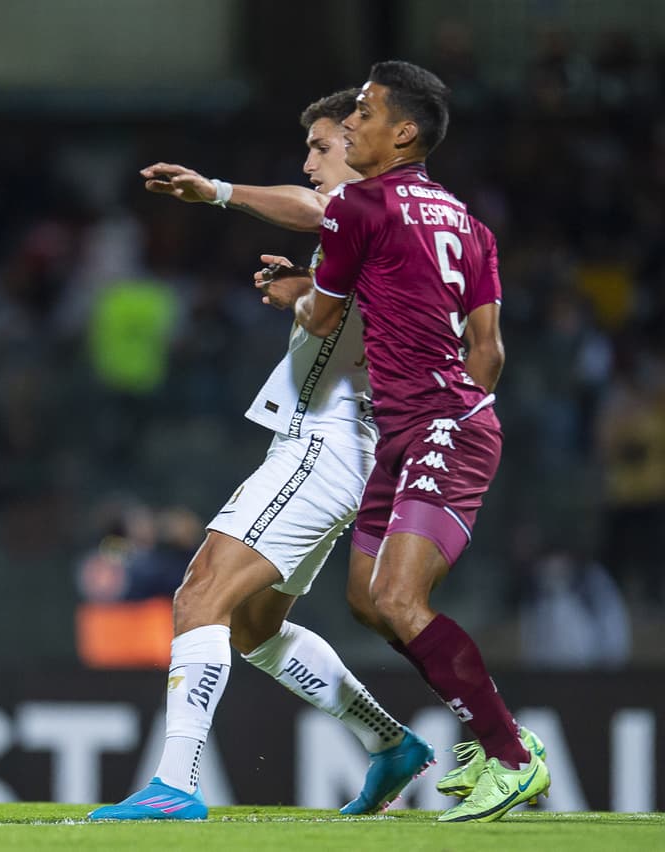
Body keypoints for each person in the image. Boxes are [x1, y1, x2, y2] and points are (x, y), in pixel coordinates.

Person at [90, 89, 433, 822]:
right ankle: (390, 745)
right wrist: (306, 289)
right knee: (252, 628)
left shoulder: (367, 205)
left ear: (363, 142)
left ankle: (175, 786)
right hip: (346, 445)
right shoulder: (398, 218)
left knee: (198, 595)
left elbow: (316, 214)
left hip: (327, 443)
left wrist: (214, 191)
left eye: (321, 147)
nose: (308, 163)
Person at [263, 60, 549, 822]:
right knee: (367, 601)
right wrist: (455, 401)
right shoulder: (469, 223)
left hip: (433, 427)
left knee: (396, 596)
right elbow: (488, 352)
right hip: (423, 423)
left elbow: (323, 321)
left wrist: (295, 291)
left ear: (404, 132)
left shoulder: (360, 203)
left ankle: (513, 757)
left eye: (364, 110)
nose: (351, 123)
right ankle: (497, 739)